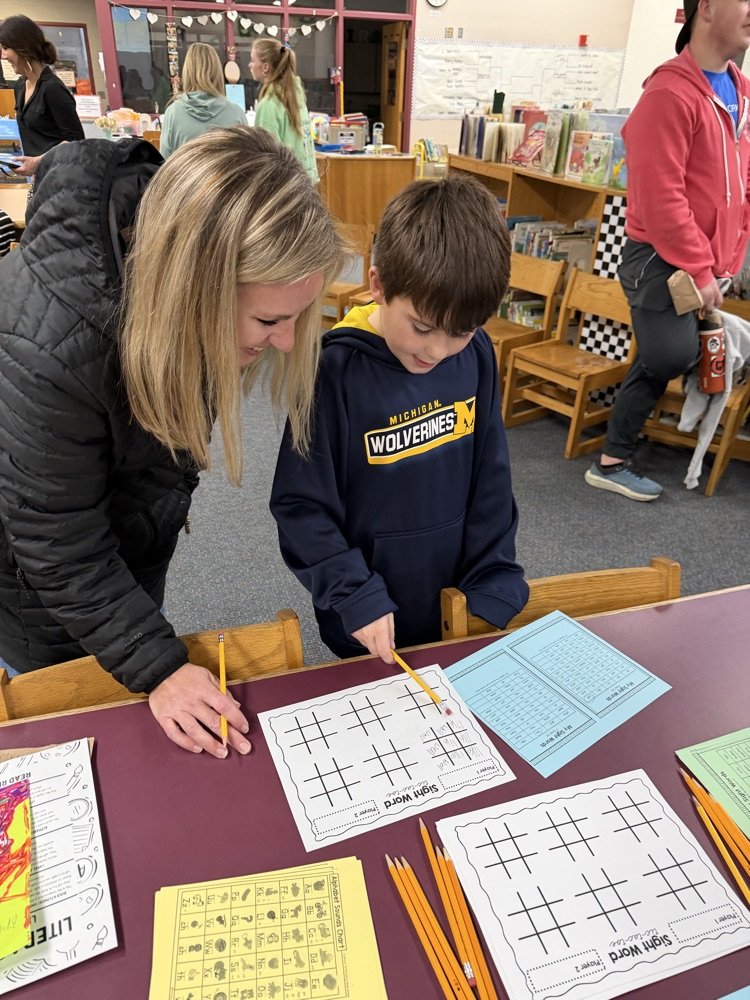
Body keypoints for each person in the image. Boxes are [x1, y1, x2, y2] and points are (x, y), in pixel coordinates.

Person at [0, 127, 345, 757]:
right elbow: (56, 544)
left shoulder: (170, 284)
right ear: (197, 291)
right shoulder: (53, 351)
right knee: (67, 744)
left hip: (125, 539)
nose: (289, 342)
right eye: (269, 320)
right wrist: (153, 663)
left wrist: (143, 646)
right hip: (38, 594)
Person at [270, 175, 529, 663]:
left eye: (461, 331)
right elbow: (301, 507)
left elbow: (490, 477)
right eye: (422, 327)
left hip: (458, 601)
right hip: (369, 614)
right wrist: (353, 594)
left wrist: (494, 573)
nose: (438, 350)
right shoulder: (332, 372)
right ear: (378, 285)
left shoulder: (474, 356)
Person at [585, 0, 750, 502]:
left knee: (661, 357)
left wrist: (730, 254)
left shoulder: (741, 93)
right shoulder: (669, 93)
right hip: (659, 259)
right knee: (671, 353)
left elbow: (739, 183)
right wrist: (701, 270)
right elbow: (661, 200)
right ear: (708, 7)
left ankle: (612, 459)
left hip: (707, 262)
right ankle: (614, 457)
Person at [0, 14, 84, 177]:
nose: (2, 55)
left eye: (5, 48)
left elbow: (77, 142)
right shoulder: (20, 86)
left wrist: (38, 161)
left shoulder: (52, 88)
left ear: (22, 47)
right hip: (39, 179)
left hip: (62, 180)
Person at [160, 43, 246, 158]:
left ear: (187, 71)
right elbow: (248, 164)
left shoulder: (173, 113)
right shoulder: (236, 114)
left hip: (187, 175)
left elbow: (164, 165)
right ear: (218, 71)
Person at [249, 38, 318, 183]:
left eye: (253, 60)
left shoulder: (269, 104)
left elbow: (264, 158)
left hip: (284, 187)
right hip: (305, 183)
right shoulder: (297, 98)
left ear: (265, 67)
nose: (250, 65)